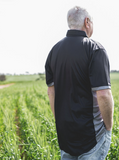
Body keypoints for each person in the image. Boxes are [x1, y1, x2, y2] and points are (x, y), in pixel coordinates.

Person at [45, 6, 114, 160]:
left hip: (65, 135)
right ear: (87, 22)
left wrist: (61, 123)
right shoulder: (95, 50)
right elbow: (103, 95)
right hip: (91, 137)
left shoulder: (53, 51)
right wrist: (108, 127)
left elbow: (51, 92)